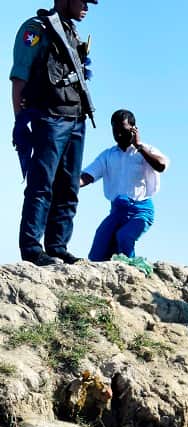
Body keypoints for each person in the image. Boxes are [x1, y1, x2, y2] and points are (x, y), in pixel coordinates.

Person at [12, 0, 97, 267]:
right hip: (49, 118)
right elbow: (19, 77)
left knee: (69, 187)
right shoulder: (37, 29)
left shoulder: (72, 33)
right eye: (83, 1)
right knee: (41, 185)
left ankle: (58, 246)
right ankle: (31, 248)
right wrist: (20, 122)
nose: (87, 7)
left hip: (76, 119)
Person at [80, 109, 168, 261]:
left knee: (124, 237)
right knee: (98, 249)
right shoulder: (108, 155)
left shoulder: (145, 150)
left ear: (134, 129)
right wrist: (69, 186)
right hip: (117, 211)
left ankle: (132, 270)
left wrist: (139, 146)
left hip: (141, 210)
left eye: (124, 130)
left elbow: (161, 165)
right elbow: (87, 176)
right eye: (115, 131)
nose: (119, 135)